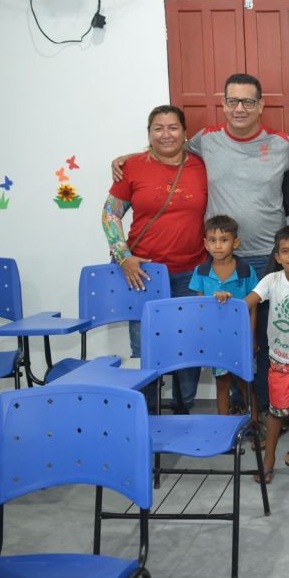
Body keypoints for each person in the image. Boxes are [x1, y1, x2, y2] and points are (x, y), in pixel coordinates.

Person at [113, 74, 289, 415]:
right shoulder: (207, 140)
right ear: (223, 104)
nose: (240, 108)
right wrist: (130, 157)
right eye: (233, 101)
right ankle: (230, 410)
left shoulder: (281, 144)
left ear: (261, 105)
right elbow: (168, 147)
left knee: (263, 340)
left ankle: (264, 411)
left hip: (267, 260)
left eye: (248, 101)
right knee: (223, 340)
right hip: (220, 260)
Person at [102, 104, 208, 413]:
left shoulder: (202, 166)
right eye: (158, 128)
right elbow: (110, 214)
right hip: (143, 273)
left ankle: (183, 408)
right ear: (149, 134)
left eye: (173, 127)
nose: (166, 134)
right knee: (145, 347)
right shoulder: (132, 167)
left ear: (185, 133)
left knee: (190, 344)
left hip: (192, 270)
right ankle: (146, 413)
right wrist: (123, 256)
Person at [221, 225, 289, 485]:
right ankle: (268, 461)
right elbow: (246, 303)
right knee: (277, 413)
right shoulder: (271, 280)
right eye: (286, 251)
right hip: (279, 363)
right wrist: (226, 297)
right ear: (278, 257)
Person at [189, 215, 259, 417]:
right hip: (216, 339)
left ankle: (255, 426)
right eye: (212, 240)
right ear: (205, 244)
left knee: (245, 383)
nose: (218, 246)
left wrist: (251, 337)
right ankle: (223, 426)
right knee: (222, 383)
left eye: (224, 240)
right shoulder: (201, 272)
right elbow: (199, 308)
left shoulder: (246, 270)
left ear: (235, 243)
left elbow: (253, 307)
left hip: (240, 338)